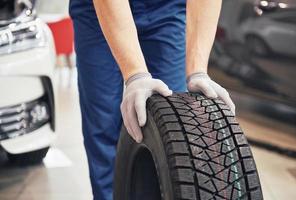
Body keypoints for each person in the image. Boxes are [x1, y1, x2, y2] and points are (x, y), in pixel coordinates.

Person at [69, 0, 235, 199]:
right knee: (104, 125)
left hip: (166, 8)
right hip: (97, 12)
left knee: (173, 126)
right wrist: (135, 75)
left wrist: (197, 71)